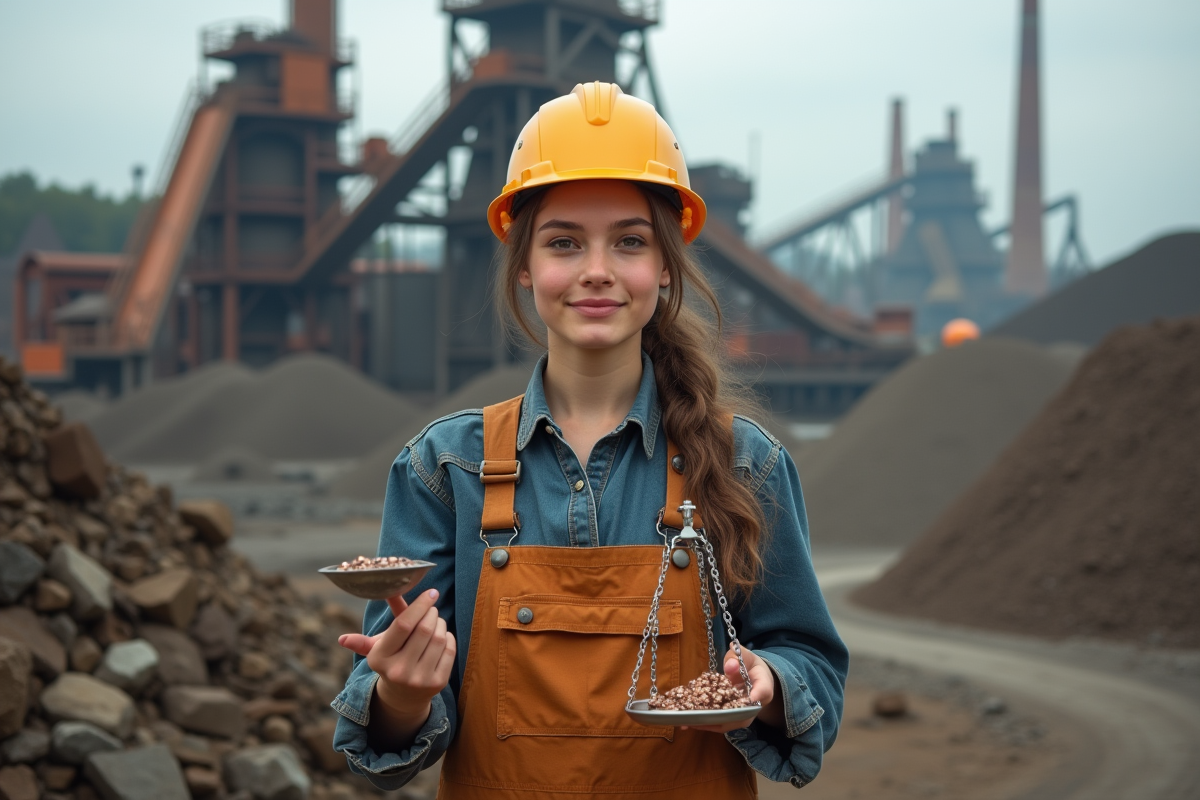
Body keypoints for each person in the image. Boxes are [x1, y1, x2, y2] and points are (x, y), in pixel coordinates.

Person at [332, 81, 847, 797]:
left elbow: (812, 661)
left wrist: (771, 681)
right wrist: (403, 695)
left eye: (629, 242)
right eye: (564, 242)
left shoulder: (743, 464)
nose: (597, 270)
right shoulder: (443, 470)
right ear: (523, 265)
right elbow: (382, 742)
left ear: (665, 267)